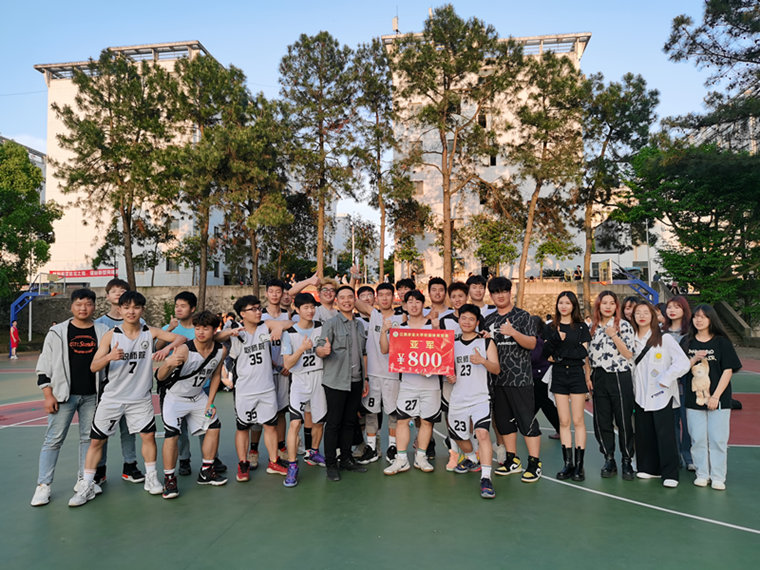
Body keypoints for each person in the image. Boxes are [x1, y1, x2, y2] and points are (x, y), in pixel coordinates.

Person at [68, 291, 186, 507]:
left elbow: (181, 338)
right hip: (112, 398)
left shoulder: (149, 332)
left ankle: (151, 478)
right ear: (120, 310)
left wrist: (168, 348)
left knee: (148, 437)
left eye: (136, 307)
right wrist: (109, 357)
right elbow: (93, 366)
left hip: (140, 398)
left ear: (142, 310)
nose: (131, 311)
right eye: (127, 307)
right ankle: (86, 484)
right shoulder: (111, 335)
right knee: (97, 441)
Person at [31, 289, 110, 507]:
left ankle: (84, 481)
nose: (83, 308)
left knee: (88, 439)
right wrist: (48, 394)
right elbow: (44, 365)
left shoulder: (103, 331)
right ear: (71, 306)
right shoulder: (57, 332)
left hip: (92, 396)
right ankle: (43, 485)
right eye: (78, 304)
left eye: (88, 304)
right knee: (53, 440)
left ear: (94, 306)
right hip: (63, 396)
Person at [156, 311, 228, 498]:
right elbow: (160, 377)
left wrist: (210, 402)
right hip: (174, 397)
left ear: (214, 330)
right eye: (197, 328)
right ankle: (169, 479)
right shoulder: (184, 350)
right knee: (172, 435)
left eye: (206, 328)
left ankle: (206, 471)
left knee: (214, 425)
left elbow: (216, 375)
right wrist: (168, 363)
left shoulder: (220, 350)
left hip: (198, 396)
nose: (201, 332)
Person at [222, 295, 293, 481]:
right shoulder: (236, 331)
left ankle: (273, 461)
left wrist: (279, 327)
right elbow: (216, 336)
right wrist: (229, 332)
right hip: (244, 390)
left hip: (266, 388)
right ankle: (243, 464)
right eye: (253, 309)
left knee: (270, 426)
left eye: (259, 308)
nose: (258, 311)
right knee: (243, 428)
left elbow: (289, 323)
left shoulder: (265, 325)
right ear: (242, 314)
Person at [483, 277, 541, 482]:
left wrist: (513, 332)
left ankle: (534, 463)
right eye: (496, 292)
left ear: (510, 293)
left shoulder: (523, 316)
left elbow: (532, 344)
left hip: (520, 378)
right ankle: (512, 459)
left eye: (504, 291)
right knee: (504, 423)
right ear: (491, 295)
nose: (500, 295)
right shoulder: (488, 320)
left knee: (527, 421)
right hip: (497, 380)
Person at [629, 300, 690, 488]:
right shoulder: (630, 339)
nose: (642, 316)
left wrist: (667, 377)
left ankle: (670, 473)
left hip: (662, 394)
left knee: (665, 435)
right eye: (638, 313)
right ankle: (649, 468)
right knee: (644, 432)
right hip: (640, 394)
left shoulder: (665, 339)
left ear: (653, 316)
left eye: (646, 312)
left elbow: (683, 362)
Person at [681, 305, 742, 490]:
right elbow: (679, 368)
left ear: (711, 319)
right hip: (694, 399)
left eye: (703, 317)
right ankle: (702, 474)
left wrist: (716, 396)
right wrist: (693, 359)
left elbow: (728, 370)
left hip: (719, 400)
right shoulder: (687, 342)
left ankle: (717, 476)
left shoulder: (722, 342)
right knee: (697, 438)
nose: (699, 320)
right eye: (696, 317)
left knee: (717, 439)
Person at [381, 290, 440, 475]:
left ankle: (421, 456)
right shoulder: (400, 330)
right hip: (408, 384)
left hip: (431, 385)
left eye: (418, 301)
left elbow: (442, 352)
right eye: (410, 301)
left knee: (427, 422)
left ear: (423, 304)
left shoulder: (433, 325)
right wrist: (384, 331)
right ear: (405, 305)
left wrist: (437, 331)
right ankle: (401, 459)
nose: (414, 305)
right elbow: (385, 349)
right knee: (402, 421)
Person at [94, 278, 145, 486]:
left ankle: (130, 465)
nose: (118, 293)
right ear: (107, 296)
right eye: (114, 291)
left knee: (129, 429)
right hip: (107, 386)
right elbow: (97, 357)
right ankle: (99, 469)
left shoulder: (139, 322)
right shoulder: (99, 324)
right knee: (102, 431)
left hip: (132, 385)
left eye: (122, 290)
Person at [316, 286, 369, 481]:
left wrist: (365, 379)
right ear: (337, 301)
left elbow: (363, 353)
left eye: (350, 297)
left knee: (349, 422)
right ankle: (331, 464)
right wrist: (323, 351)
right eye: (342, 297)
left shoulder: (360, 325)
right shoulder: (330, 324)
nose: (347, 300)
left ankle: (346, 459)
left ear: (354, 300)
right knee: (333, 424)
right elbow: (319, 347)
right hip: (336, 381)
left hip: (356, 381)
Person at [447, 304, 500, 498]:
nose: (467, 322)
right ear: (458, 320)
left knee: (482, 434)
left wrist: (483, 361)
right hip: (458, 398)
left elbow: (496, 369)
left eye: (471, 319)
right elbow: (448, 369)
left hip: (480, 397)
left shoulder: (486, 342)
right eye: (463, 318)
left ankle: (486, 478)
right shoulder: (451, 343)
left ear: (477, 322)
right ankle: (472, 458)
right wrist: (450, 376)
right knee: (459, 437)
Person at [542, 292, 591, 481]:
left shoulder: (581, 327)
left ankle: (580, 465)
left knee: (578, 420)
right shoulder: (551, 328)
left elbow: (582, 353)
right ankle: (567, 463)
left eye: (568, 303)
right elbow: (545, 353)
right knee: (563, 421)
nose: (564, 306)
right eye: (561, 302)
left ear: (573, 306)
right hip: (559, 375)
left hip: (576, 375)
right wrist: (556, 339)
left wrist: (560, 355)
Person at [587, 291, 636, 480]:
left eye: (612, 303)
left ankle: (626, 459)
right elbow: (586, 355)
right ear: (598, 305)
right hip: (599, 376)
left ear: (617, 306)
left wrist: (614, 335)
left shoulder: (624, 325)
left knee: (623, 420)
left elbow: (628, 354)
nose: (608, 306)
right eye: (604, 303)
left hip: (619, 375)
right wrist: (588, 376)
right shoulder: (591, 327)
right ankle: (609, 458)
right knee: (602, 420)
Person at [354, 283, 404, 464]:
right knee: (371, 412)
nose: (384, 298)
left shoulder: (402, 317)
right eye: (380, 294)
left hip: (393, 374)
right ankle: (372, 448)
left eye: (387, 294)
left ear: (393, 296)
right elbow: (353, 299)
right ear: (376, 298)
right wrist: (353, 278)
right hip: (373, 373)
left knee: (393, 413)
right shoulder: (373, 314)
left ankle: (392, 447)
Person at [281, 293, 328, 487]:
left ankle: (314, 452)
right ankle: (292, 465)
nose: (310, 310)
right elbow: (287, 364)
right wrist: (301, 349)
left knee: (319, 421)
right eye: (306, 307)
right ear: (297, 309)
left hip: (319, 377)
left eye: (312, 307)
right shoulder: (289, 333)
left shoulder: (321, 327)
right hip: (299, 381)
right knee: (295, 424)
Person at [261, 279, 293, 462]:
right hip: (265, 371)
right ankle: (254, 451)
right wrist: (275, 364)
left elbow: (290, 329)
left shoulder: (287, 315)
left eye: (278, 291)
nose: (274, 294)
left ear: (283, 294)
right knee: (261, 414)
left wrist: (286, 365)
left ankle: (281, 448)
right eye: (271, 291)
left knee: (281, 412)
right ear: (266, 293)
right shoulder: (259, 315)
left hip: (284, 371)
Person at [663, 296, 695, 471]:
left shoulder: (691, 332)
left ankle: (688, 455)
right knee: (670, 421)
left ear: (684, 310)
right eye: (669, 307)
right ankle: (674, 456)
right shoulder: (660, 331)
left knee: (687, 420)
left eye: (677, 307)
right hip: (666, 382)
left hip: (685, 381)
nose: (672, 310)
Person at [530, 316, 560, 440]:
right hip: (538, 375)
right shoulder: (539, 339)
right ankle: (527, 424)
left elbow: (535, 357)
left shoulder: (537, 341)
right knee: (536, 404)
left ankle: (560, 429)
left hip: (540, 375)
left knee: (545, 404)